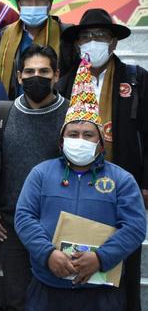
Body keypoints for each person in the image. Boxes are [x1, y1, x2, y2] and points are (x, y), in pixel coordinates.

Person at [15, 58, 146, 311]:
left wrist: (100, 258)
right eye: (73, 134)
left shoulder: (122, 179)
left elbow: (135, 226)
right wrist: (47, 254)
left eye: (88, 135)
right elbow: (24, 217)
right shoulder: (41, 174)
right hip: (47, 289)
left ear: (100, 142)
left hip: (101, 293)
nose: (80, 139)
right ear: (62, 140)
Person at [57, 8, 148, 311]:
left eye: (100, 35)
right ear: (77, 43)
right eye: (86, 36)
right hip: (76, 187)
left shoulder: (136, 80)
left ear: (113, 43)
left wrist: (145, 182)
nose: (92, 42)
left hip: (123, 186)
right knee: (77, 264)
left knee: (123, 267)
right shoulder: (65, 84)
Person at [0, 44, 68, 311]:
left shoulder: (72, 116)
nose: (36, 77)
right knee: (16, 298)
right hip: (11, 224)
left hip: (60, 222)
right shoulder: (2, 114)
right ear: (19, 76)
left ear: (56, 75)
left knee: (59, 297)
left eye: (44, 71)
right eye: (29, 71)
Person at [0, 0, 75, 98]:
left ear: (50, 3)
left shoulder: (66, 35)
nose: (34, 4)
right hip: (12, 110)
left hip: (56, 110)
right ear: (19, 4)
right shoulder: (3, 36)